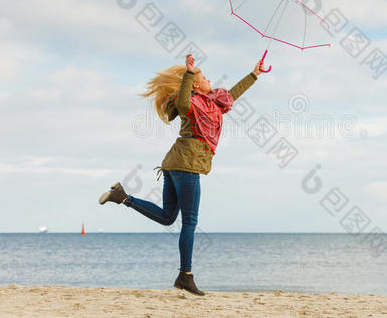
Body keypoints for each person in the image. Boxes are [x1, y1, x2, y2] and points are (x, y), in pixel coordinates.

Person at [99, 53, 266, 296]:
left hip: (174, 163)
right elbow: (184, 104)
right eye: (205, 77)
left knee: (168, 217)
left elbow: (233, 95)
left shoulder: (211, 103)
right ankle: (185, 275)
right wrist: (189, 72)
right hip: (186, 164)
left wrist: (254, 74)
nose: (210, 80)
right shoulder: (192, 102)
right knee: (189, 222)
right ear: (196, 84)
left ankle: (122, 197)